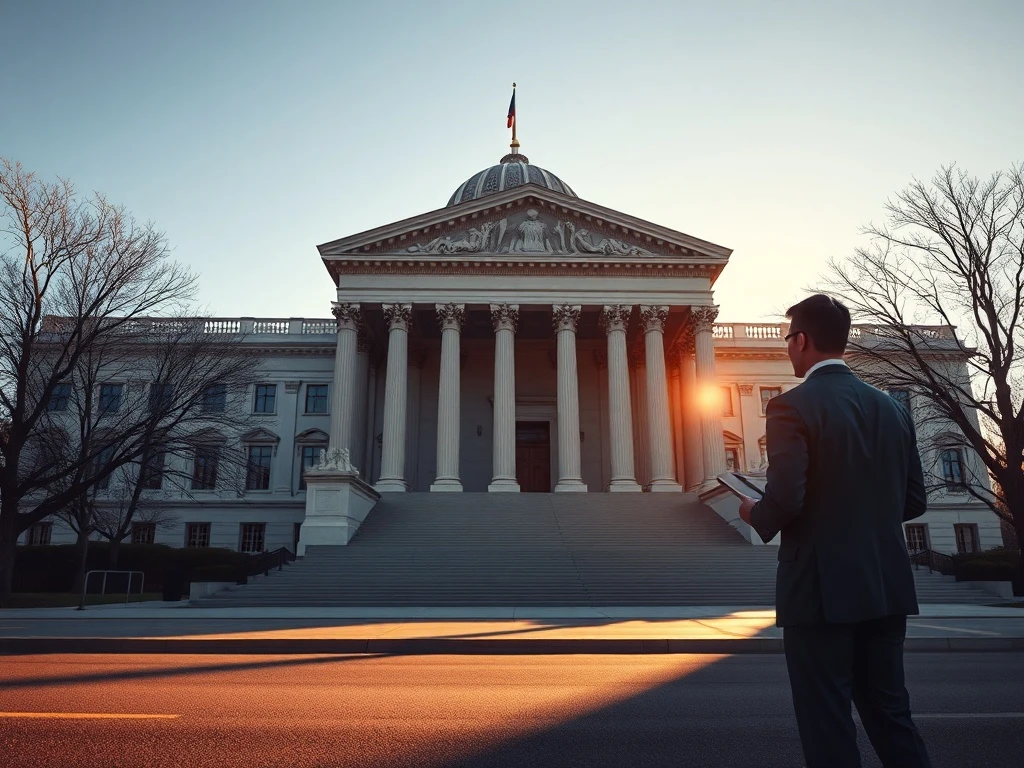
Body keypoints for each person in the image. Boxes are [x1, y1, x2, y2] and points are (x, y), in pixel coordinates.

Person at [737, 294, 932, 768]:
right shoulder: (892, 408)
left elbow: (786, 499)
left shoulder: (791, 407)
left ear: (801, 341)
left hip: (820, 591)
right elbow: (914, 502)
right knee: (891, 713)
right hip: (886, 584)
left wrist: (751, 513)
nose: (787, 349)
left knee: (827, 721)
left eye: (788, 340)